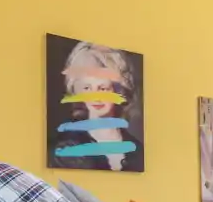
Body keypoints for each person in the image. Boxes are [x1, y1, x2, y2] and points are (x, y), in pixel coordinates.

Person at [50, 41, 143, 172]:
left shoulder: (137, 149)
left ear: (118, 91)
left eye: (103, 88)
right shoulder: (67, 146)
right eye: (87, 88)